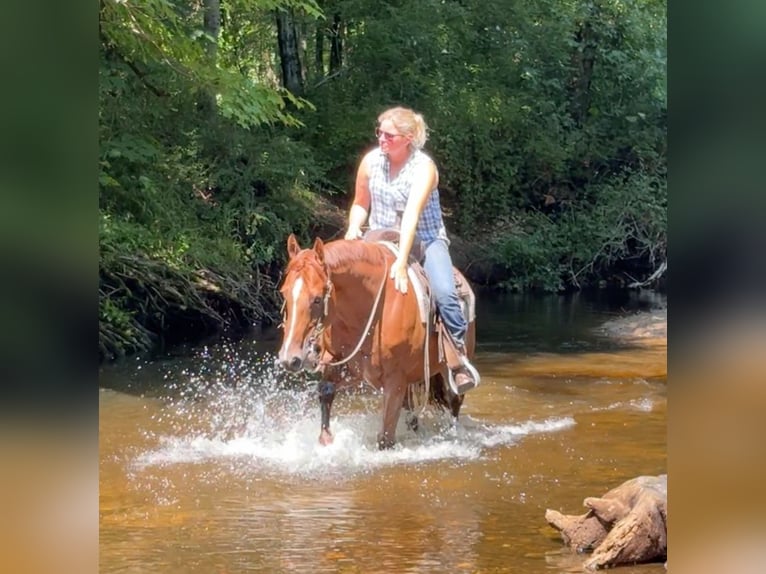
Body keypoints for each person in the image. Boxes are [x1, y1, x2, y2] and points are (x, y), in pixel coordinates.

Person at [344, 106, 480, 394]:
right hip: (379, 237)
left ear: (408, 138)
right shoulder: (370, 162)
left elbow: (411, 217)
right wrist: (353, 230)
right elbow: (360, 203)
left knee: (444, 292)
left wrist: (402, 261)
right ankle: (329, 353)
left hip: (425, 239)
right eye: (379, 132)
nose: (382, 138)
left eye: (389, 135)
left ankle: (457, 361)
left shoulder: (424, 168)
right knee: (343, 282)